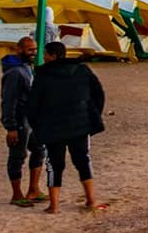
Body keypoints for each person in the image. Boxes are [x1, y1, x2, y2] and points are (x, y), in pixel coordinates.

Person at [25, 42, 106, 214]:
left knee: (55, 165)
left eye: (45, 54)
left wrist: (38, 125)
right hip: (79, 125)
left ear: (53, 56)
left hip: (53, 127)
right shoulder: (82, 70)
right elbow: (98, 94)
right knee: (83, 160)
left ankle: (54, 206)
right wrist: (91, 114)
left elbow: (32, 105)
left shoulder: (43, 76)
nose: (44, 57)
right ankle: (91, 200)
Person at [0, 37, 44, 207]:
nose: (33, 53)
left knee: (40, 149)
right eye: (30, 50)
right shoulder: (14, 73)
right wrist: (10, 127)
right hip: (19, 121)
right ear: (19, 49)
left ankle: (33, 189)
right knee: (18, 156)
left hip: (31, 120)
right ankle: (16, 194)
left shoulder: (27, 68)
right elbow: (8, 100)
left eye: (34, 49)